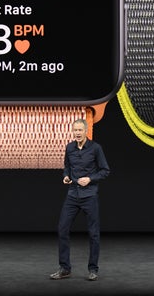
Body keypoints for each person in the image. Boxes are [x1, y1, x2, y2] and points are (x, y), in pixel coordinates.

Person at [49, 118, 111, 281]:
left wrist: (90, 178)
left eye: (80, 130)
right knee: (62, 229)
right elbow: (67, 167)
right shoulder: (69, 147)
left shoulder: (96, 148)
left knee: (93, 234)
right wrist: (66, 176)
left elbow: (105, 170)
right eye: (75, 130)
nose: (77, 133)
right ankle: (65, 268)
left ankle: (93, 269)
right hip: (72, 195)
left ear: (86, 131)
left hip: (89, 195)